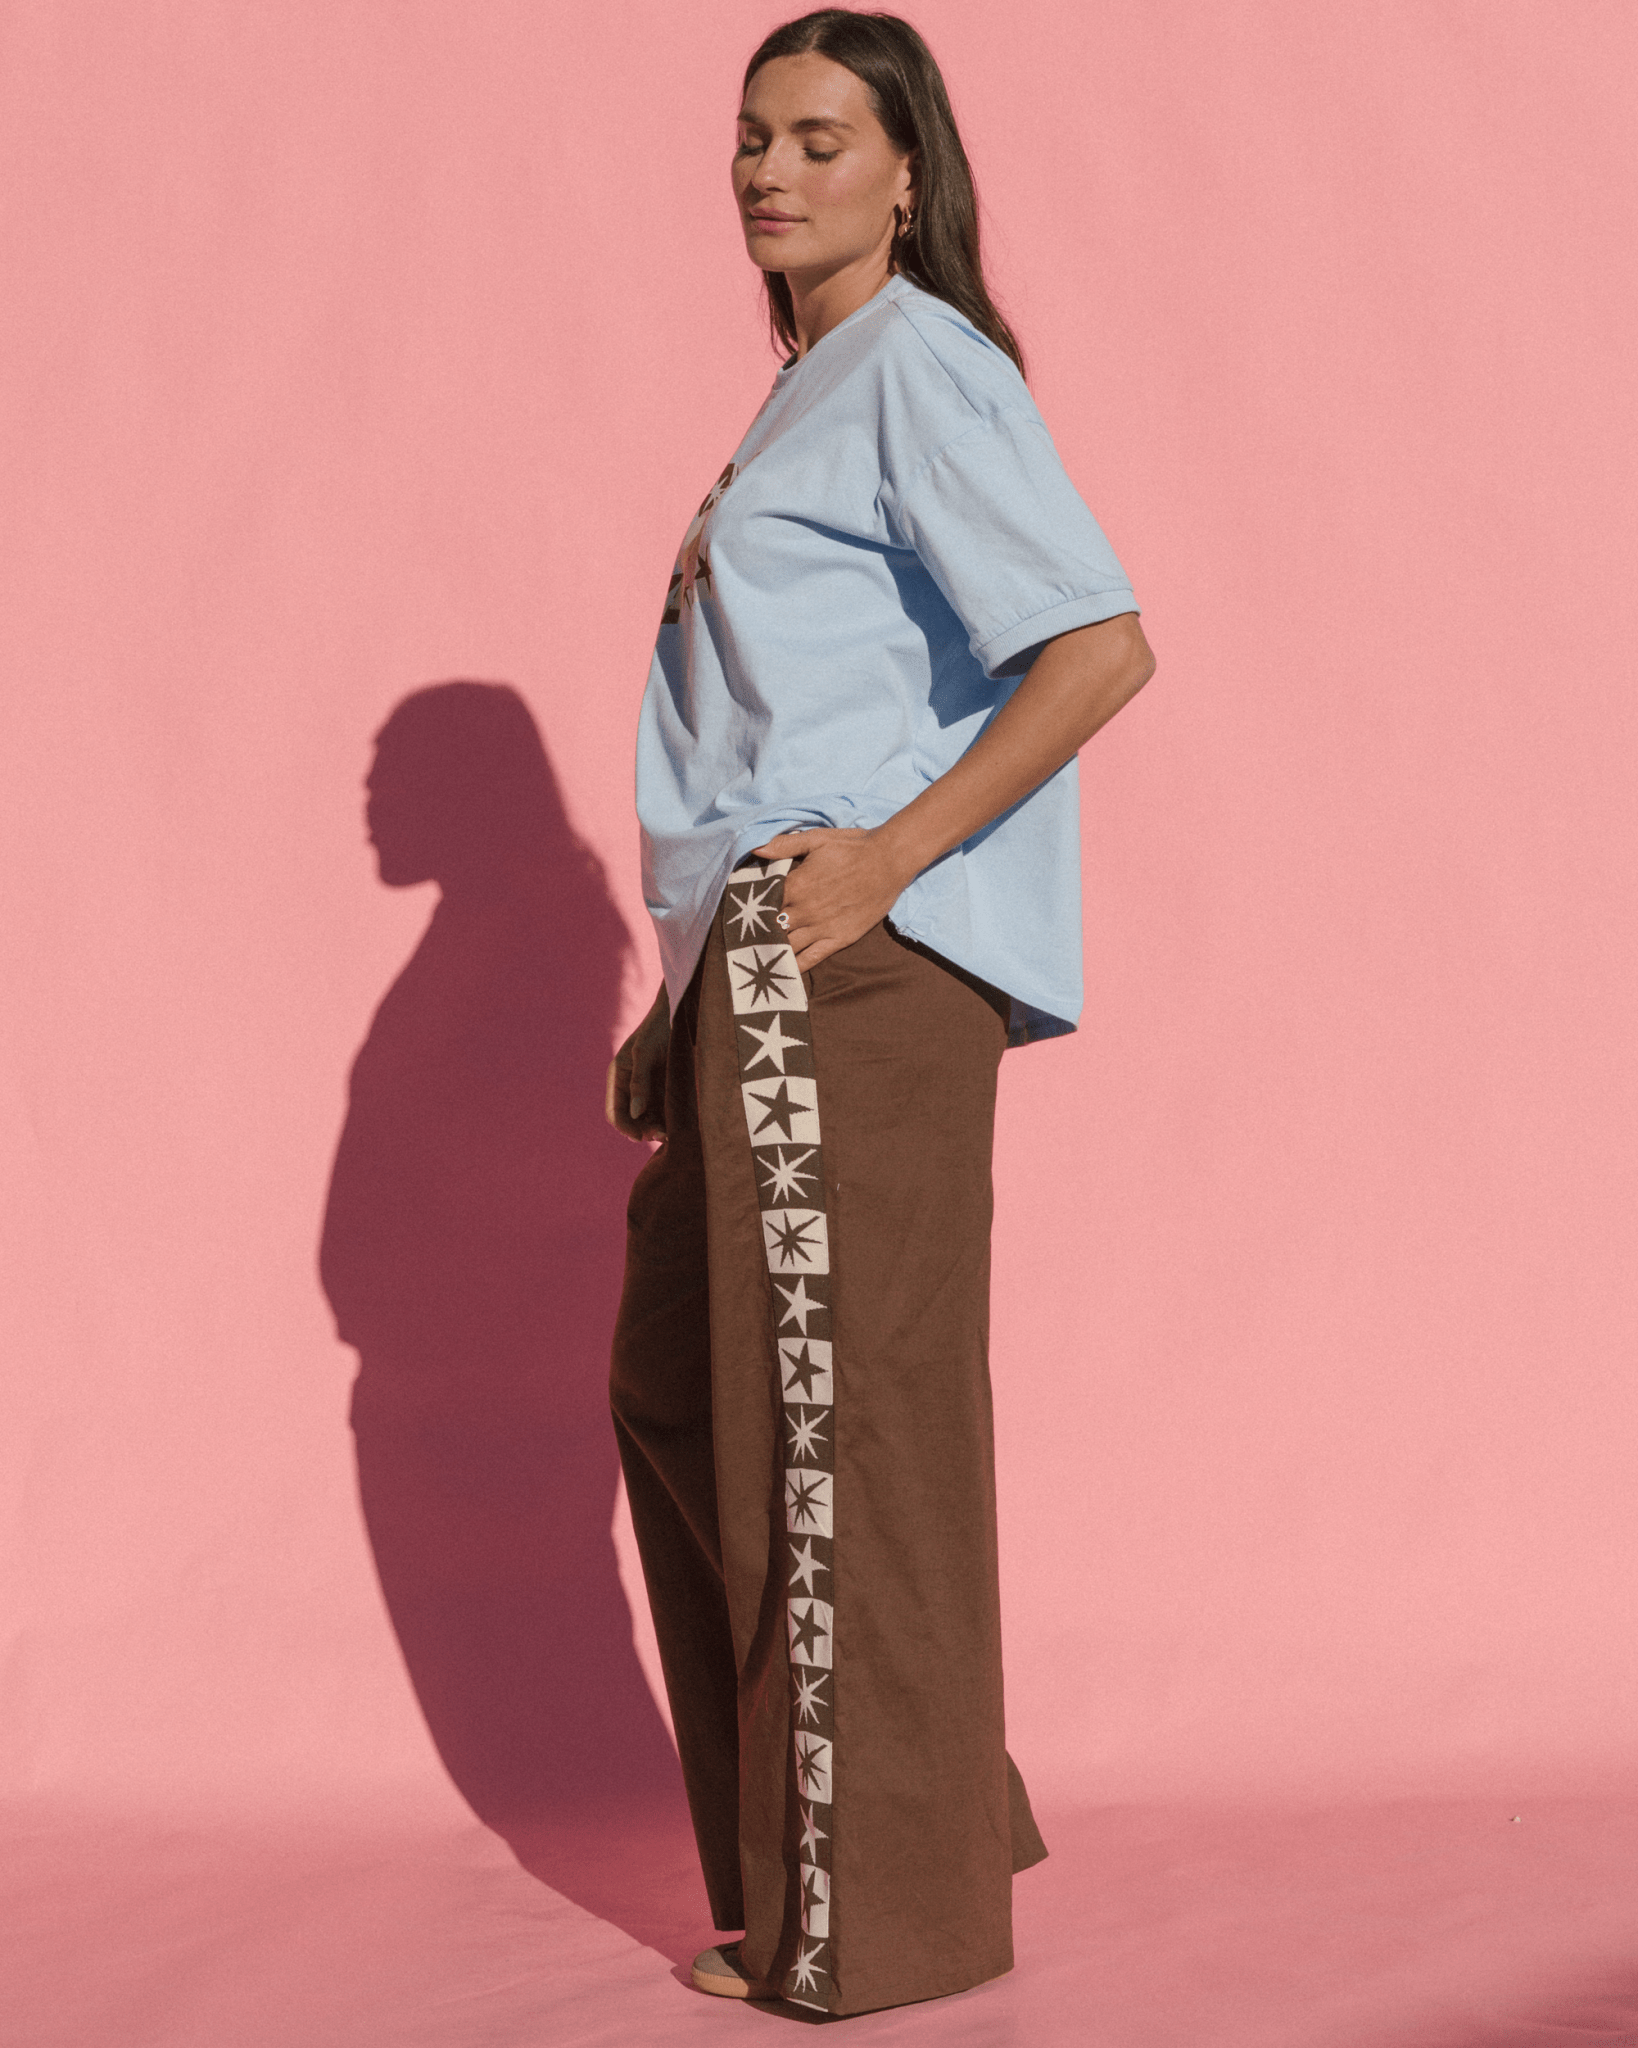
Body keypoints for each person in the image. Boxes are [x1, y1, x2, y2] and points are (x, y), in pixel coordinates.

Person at [606, 9, 1153, 2017]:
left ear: (908, 173)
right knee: (694, 1394)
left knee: (838, 1432)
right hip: (750, 969)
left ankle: (874, 1920)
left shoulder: (919, 360)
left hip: (848, 965)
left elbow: (1097, 648)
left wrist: (890, 860)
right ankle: (904, 1816)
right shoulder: (808, 388)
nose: (770, 171)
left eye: (820, 140)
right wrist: (684, 986)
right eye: (752, 138)